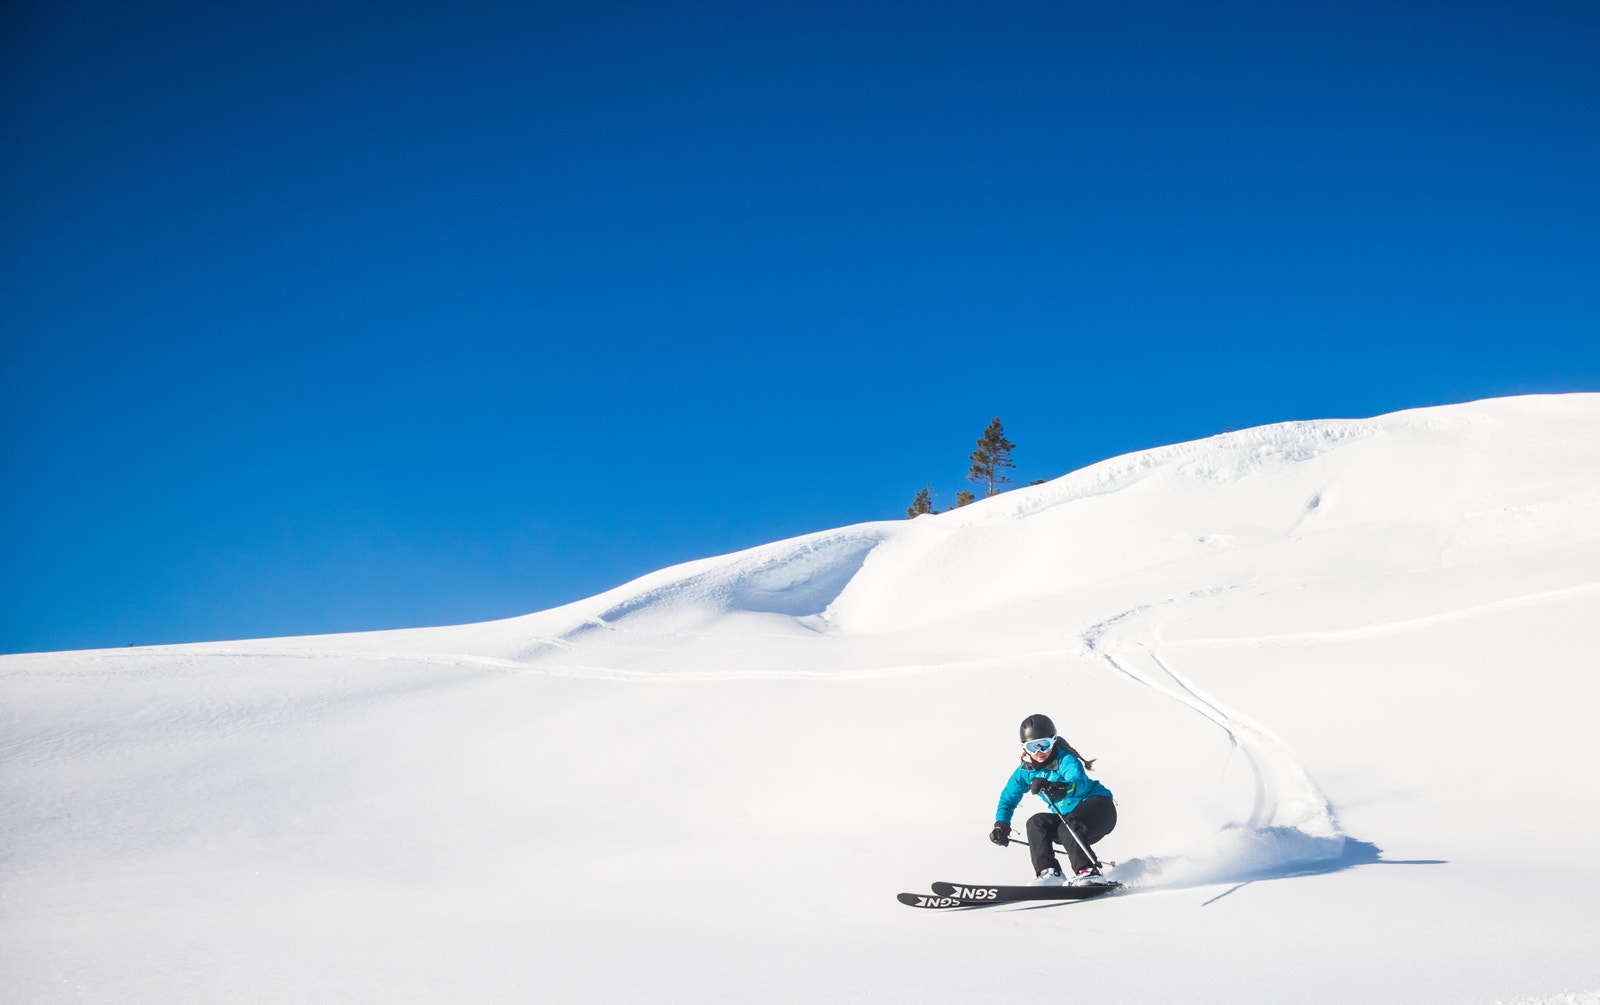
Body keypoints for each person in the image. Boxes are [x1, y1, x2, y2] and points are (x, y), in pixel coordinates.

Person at [989, 713, 1117, 886]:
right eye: (1033, 747)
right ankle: (1049, 873)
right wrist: (1001, 825)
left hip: (1100, 810)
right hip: (1072, 823)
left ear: (1054, 740)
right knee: (1036, 823)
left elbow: (1079, 783)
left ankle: (1089, 872)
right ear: (1024, 748)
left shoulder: (1066, 759)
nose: (1040, 752)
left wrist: (1057, 788)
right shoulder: (1024, 772)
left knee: (1067, 826)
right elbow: (1008, 798)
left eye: (1044, 744)